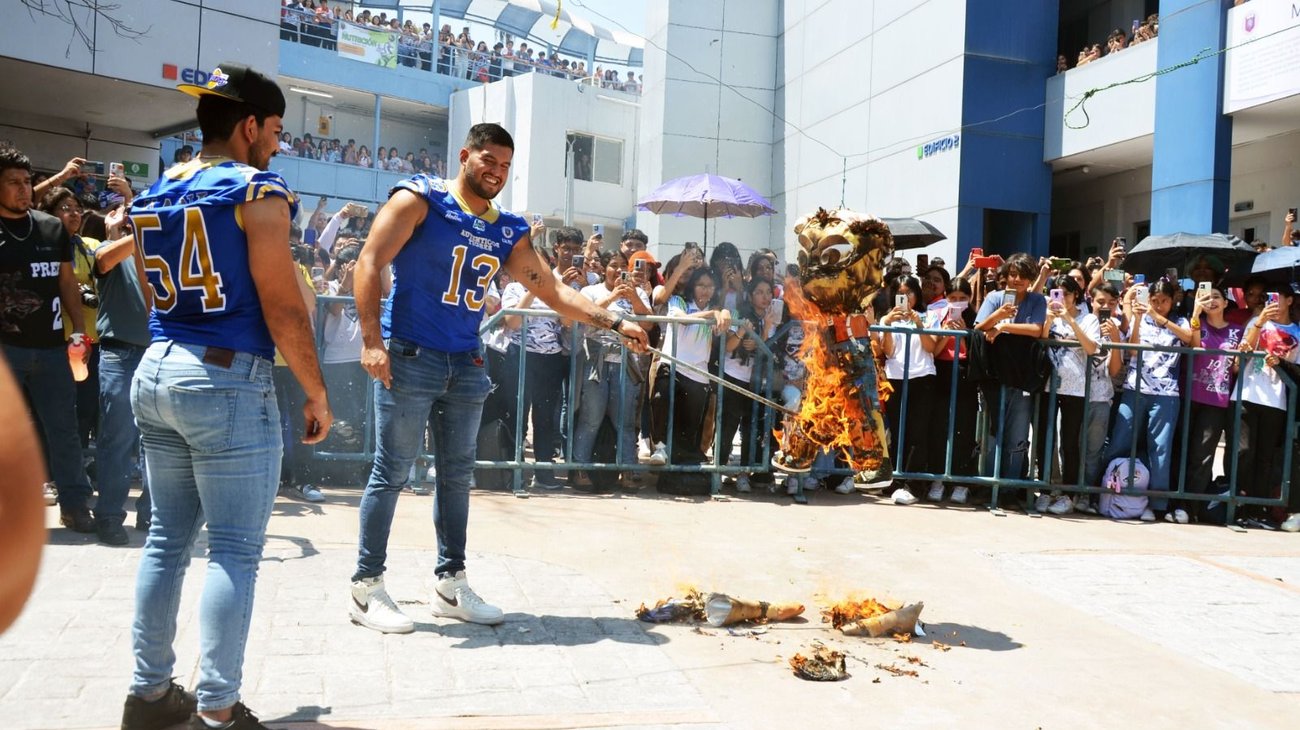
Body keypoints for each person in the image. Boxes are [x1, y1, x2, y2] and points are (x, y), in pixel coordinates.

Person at [347, 123, 648, 634]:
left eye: (506, 166)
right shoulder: (420, 199)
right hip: (410, 354)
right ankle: (366, 586)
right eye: (488, 160)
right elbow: (369, 261)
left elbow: (553, 293)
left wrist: (616, 323)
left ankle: (450, 582)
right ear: (465, 155)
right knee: (391, 471)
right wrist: (372, 340)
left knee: (458, 475)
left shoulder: (507, 229)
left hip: (466, 360)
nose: (497, 172)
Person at [120, 63, 331, 730]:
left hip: (157, 366)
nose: (276, 142)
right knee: (235, 549)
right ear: (247, 126)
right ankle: (218, 707)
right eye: (274, 129)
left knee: (165, 542)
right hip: (224, 377)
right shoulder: (257, 189)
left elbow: (153, 290)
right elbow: (282, 309)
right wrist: (316, 390)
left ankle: (148, 696)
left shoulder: (155, 191)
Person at [0, 146, 95, 533]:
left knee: (65, 431)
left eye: (27, 182)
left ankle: (74, 506)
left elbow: (66, 282)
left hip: (52, 349)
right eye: (13, 183)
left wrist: (79, 328)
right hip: (6, 349)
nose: (24, 190)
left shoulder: (51, 227)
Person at [1103, 279, 1195, 522]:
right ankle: (1105, 493)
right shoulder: (1139, 318)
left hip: (1166, 394)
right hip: (1135, 388)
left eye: (1163, 301)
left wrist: (1160, 317)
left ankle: (1158, 504)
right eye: (1154, 300)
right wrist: (1138, 316)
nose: (1158, 304)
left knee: (1160, 450)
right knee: (1120, 441)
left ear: (1172, 300)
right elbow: (1131, 351)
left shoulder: (1180, 320)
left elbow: (1189, 338)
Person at [571, 251, 652, 489]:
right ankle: (580, 469)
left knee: (625, 422)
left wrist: (633, 297)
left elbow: (648, 322)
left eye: (621, 266)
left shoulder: (636, 292)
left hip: (626, 363)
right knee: (591, 418)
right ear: (603, 268)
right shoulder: (591, 291)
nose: (617, 271)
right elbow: (585, 315)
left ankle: (628, 470)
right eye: (612, 266)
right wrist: (613, 297)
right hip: (595, 361)